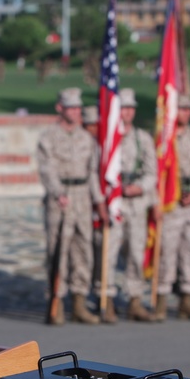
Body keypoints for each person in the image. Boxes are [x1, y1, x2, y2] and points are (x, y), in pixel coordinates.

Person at [36, 88, 109, 325]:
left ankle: (79, 301)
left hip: (82, 197)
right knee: (57, 250)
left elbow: (92, 173)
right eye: (71, 108)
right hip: (61, 198)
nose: (76, 112)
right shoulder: (48, 137)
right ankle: (56, 301)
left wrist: (99, 203)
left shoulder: (86, 138)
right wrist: (58, 192)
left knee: (83, 249)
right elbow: (46, 168)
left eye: (78, 108)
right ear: (60, 108)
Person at [156, 94, 190, 321]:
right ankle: (161, 299)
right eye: (182, 109)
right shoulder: (164, 136)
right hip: (171, 202)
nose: (186, 113)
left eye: (189, 109)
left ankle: (187, 299)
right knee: (167, 251)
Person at [114, 88, 159, 322]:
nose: (127, 112)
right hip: (116, 201)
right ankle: (106, 299)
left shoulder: (143, 139)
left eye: (131, 108)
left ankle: (134, 300)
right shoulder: (109, 137)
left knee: (135, 252)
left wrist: (140, 187)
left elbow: (153, 172)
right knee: (110, 252)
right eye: (123, 108)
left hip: (137, 202)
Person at [82, 105, 119, 324]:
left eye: (96, 125)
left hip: (99, 206)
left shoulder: (105, 145)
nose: (92, 129)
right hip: (82, 205)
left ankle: (105, 298)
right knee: (84, 256)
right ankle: (80, 298)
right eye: (88, 125)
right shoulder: (85, 144)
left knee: (104, 254)